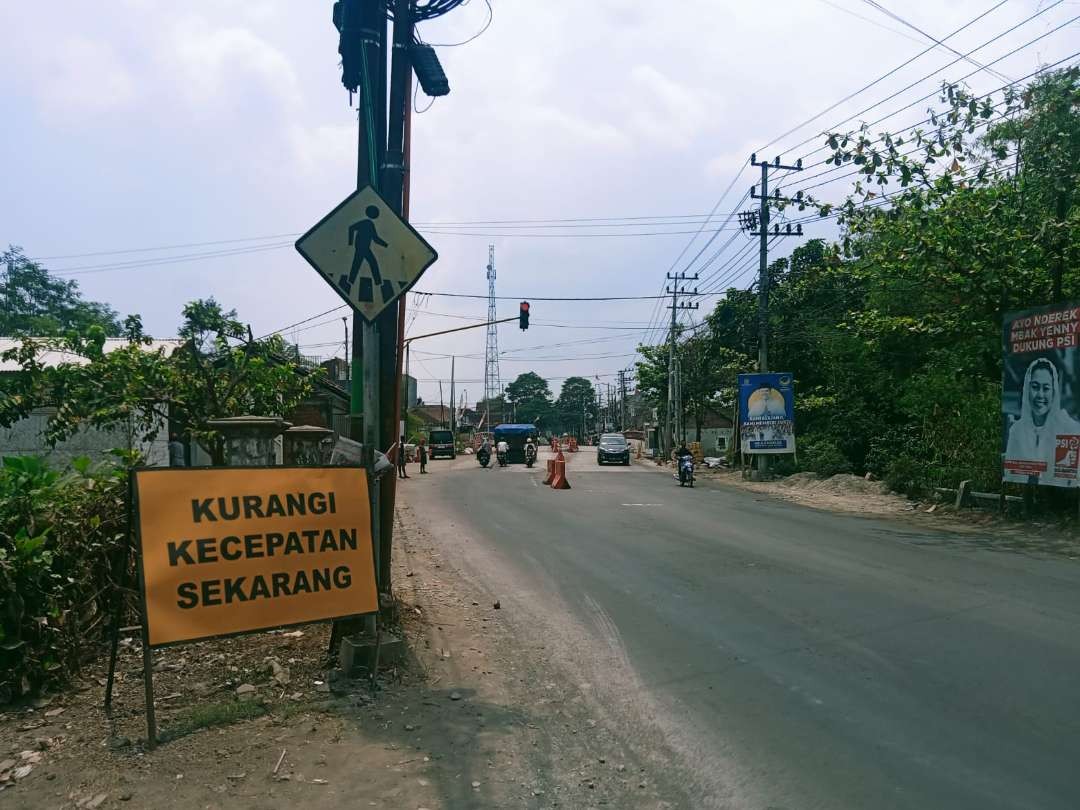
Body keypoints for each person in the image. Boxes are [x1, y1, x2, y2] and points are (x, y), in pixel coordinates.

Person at [1005, 357, 1080, 479]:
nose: (1040, 395)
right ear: (1027, 389)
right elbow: (1010, 475)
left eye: (1046, 388)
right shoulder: (1016, 431)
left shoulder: (1069, 429)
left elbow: (1071, 477)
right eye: (1035, 387)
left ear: (1054, 392)